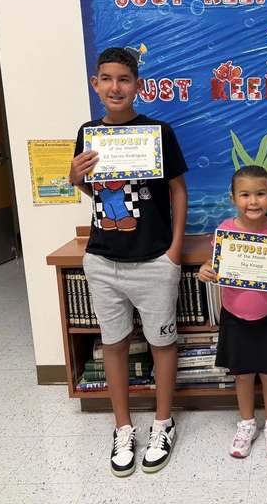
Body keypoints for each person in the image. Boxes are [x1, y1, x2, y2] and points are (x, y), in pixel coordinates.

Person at [69, 47, 188, 477]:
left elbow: (177, 190)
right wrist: (74, 179)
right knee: (114, 344)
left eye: (124, 79)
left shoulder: (158, 131)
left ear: (137, 85)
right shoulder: (87, 132)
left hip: (153, 258)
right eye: (107, 78)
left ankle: (162, 423)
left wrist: (173, 251)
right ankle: (122, 426)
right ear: (95, 84)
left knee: (161, 344)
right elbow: (97, 192)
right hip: (103, 258)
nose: (115, 86)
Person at [197, 165, 267, 461]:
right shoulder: (225, 232)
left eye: (260, 194)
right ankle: (245, 424)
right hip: (235, 314)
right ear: (232, 198)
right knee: (242, 375)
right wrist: (206, 270)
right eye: (245, 195)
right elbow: (212, 265)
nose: (253, 201)